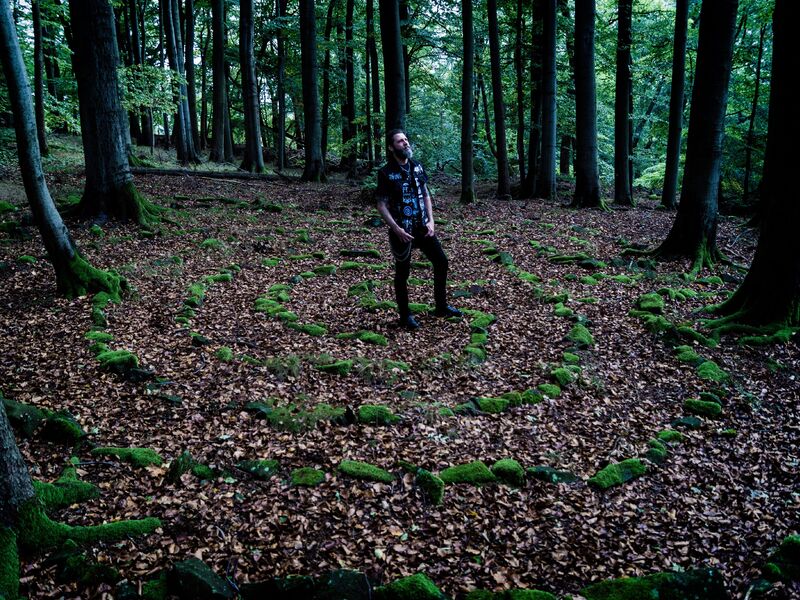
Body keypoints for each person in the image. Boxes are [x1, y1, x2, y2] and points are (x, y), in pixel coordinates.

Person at [375, 129, 462, 329]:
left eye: (406, 139)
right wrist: (396, 229)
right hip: (402, 232)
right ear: (391, 147)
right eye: (400, 141)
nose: (405, 143)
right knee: (402, 274)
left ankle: (441, 306)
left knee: (441, 262)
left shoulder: (417, 167)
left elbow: (425, 195)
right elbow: (381, 205)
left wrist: (432, 221)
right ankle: (405, 316)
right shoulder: (386, 173)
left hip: (423, 228)